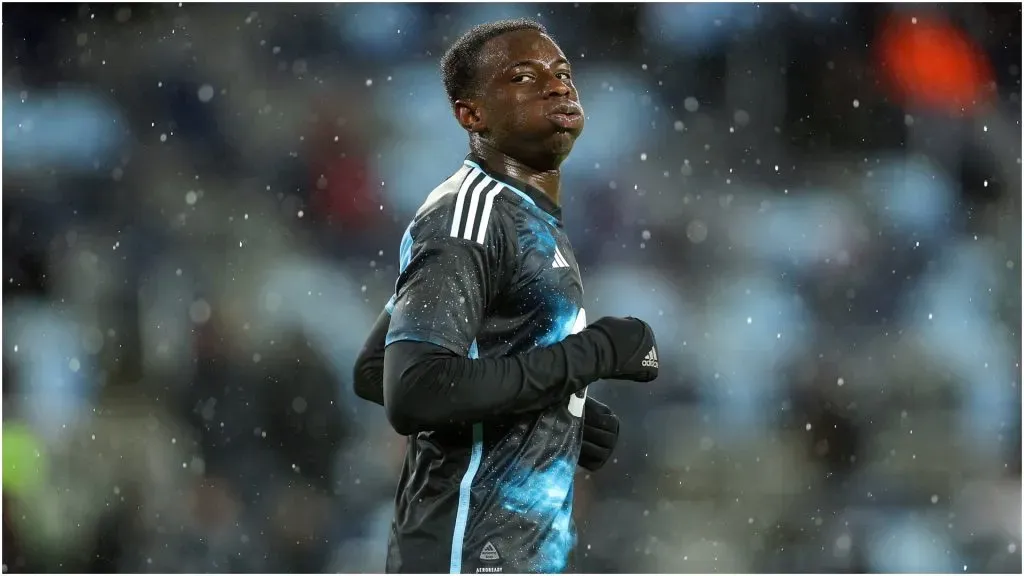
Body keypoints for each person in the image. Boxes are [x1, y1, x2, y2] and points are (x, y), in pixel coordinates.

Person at [351, 19, 660, 574]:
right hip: (467, 548)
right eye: (524, 76)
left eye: (563, 74)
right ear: (471, 114)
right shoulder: (469, 217)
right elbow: (412, 388)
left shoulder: (520, 212)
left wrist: (558, 416)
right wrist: (591, 355)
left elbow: (375, 365)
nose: (558, 85)